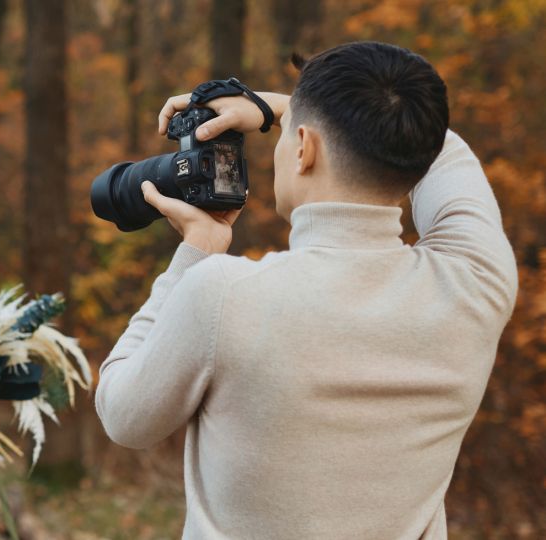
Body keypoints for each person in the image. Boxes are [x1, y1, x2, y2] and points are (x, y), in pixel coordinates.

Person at [94, 41, 518, 539]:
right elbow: (442, 149)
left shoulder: (222, 294)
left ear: (303, 147)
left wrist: (195, 253)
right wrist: (292, 109)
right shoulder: (476, 281)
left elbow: (123, 415)